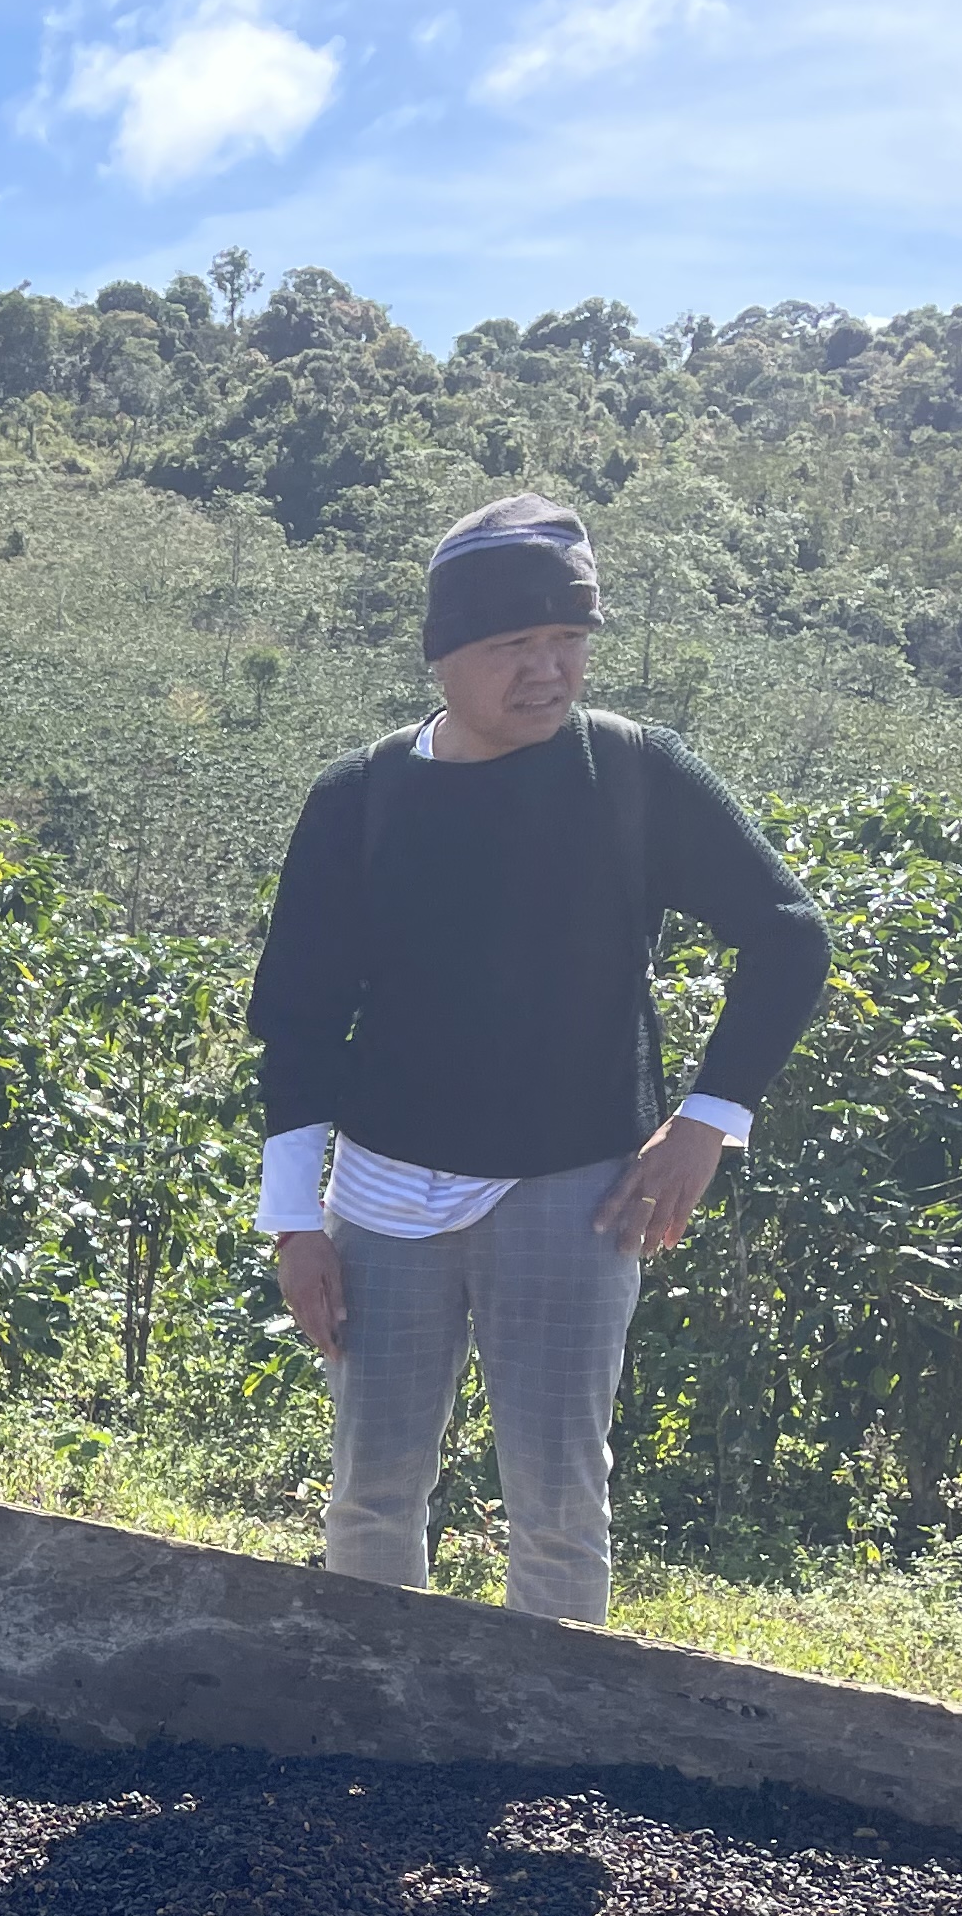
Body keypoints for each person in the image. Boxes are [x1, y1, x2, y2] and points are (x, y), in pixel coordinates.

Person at [247, 494, 830, 1623]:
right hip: (384, 1200)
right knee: (373, 1493)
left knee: (559, 1503)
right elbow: (301, 1020)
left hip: (578, 1196)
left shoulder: (632, 774)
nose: (547, 670)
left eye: (567, 641)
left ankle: (542, 1764)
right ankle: (369, 1733)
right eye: (514, 644)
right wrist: (296, 1221)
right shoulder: (361, 799)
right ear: (445, 657)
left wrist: (709, 1117)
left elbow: (787, 931)